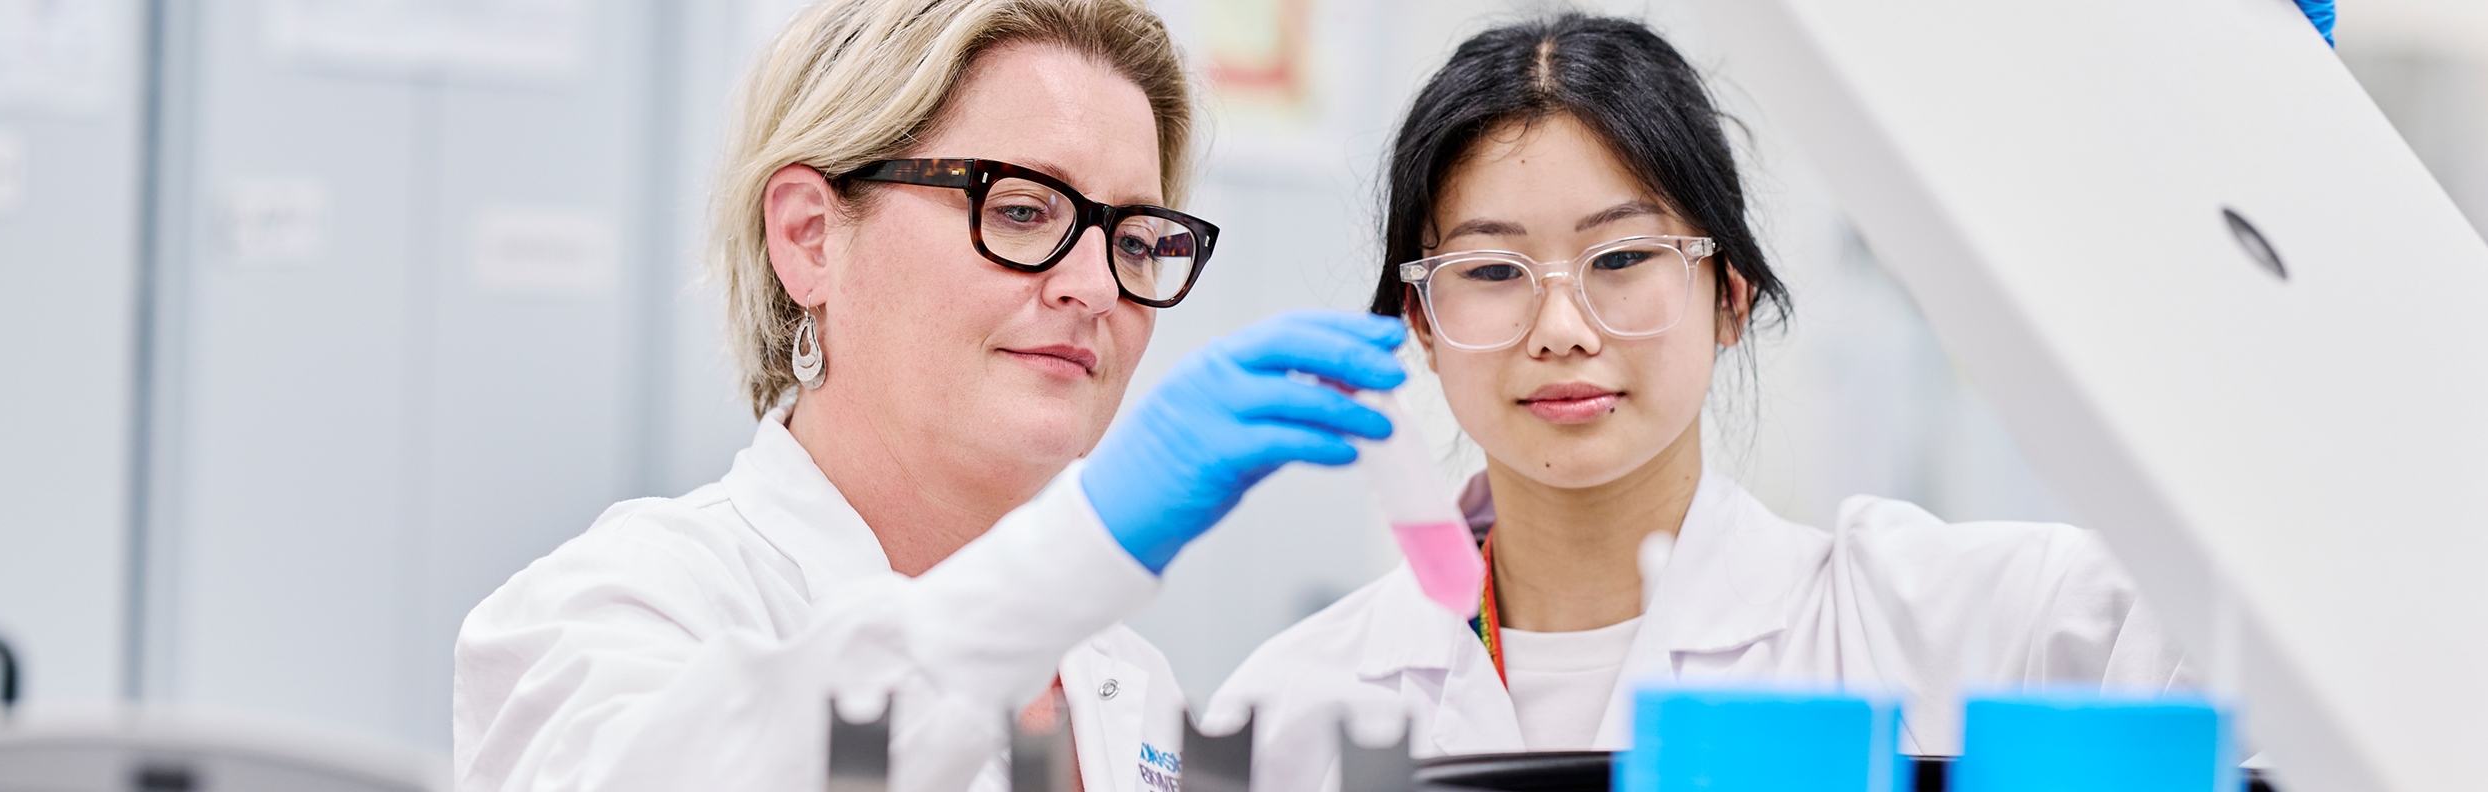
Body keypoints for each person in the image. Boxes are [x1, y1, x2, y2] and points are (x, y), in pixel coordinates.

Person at [1206, 14, 2189, 790]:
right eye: (1495, 268)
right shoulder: (1293, 708)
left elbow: (2264, 645)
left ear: (1730, 297)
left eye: (1624, 257)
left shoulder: (1943, 617)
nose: (1562, 327)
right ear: (1420, 322)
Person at [451, 1, 1407, 790]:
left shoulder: (1132, 688)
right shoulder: (616, 610)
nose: (1097, 287)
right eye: (1023, 210)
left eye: (1131, 237)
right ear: (810, 238)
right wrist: (1086, 546)